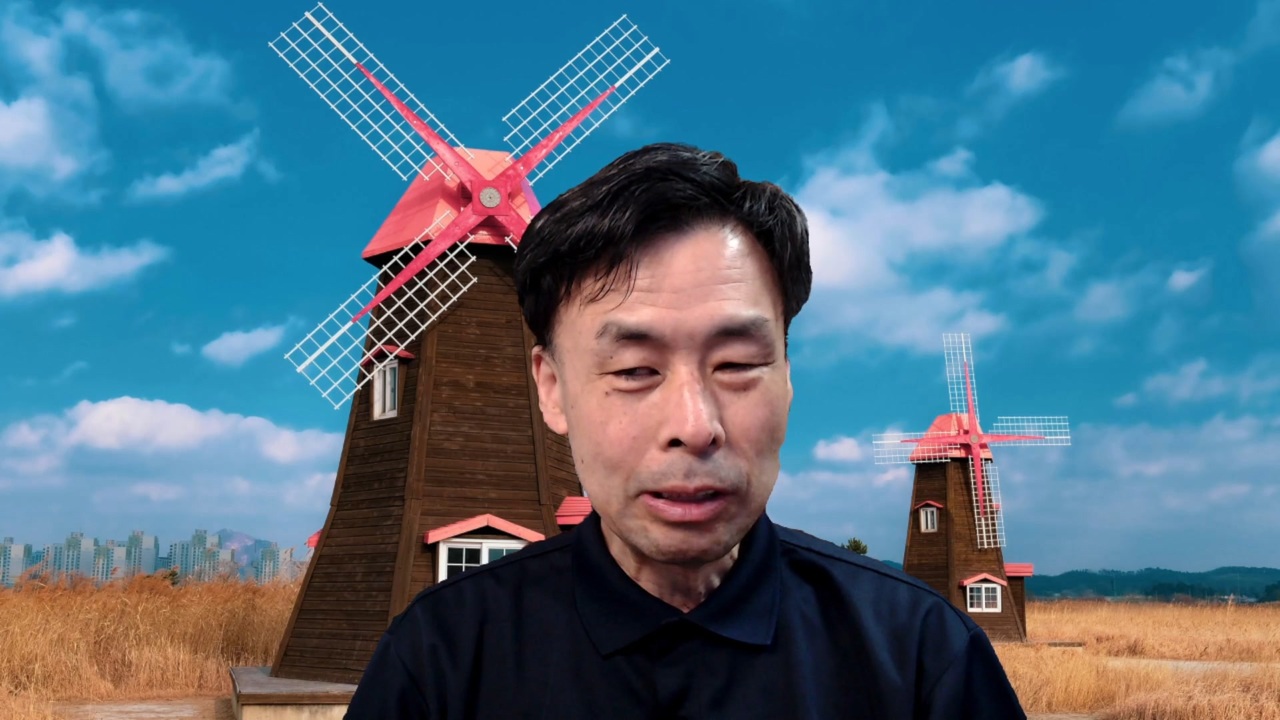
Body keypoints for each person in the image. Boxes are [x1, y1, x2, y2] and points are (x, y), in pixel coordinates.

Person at [342, 142, 1027, 719]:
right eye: (635, 370)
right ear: (551, 387)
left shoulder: (921, 657)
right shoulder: (439, 662)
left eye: (737, 364)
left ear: (788, 377)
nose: (695, 427)